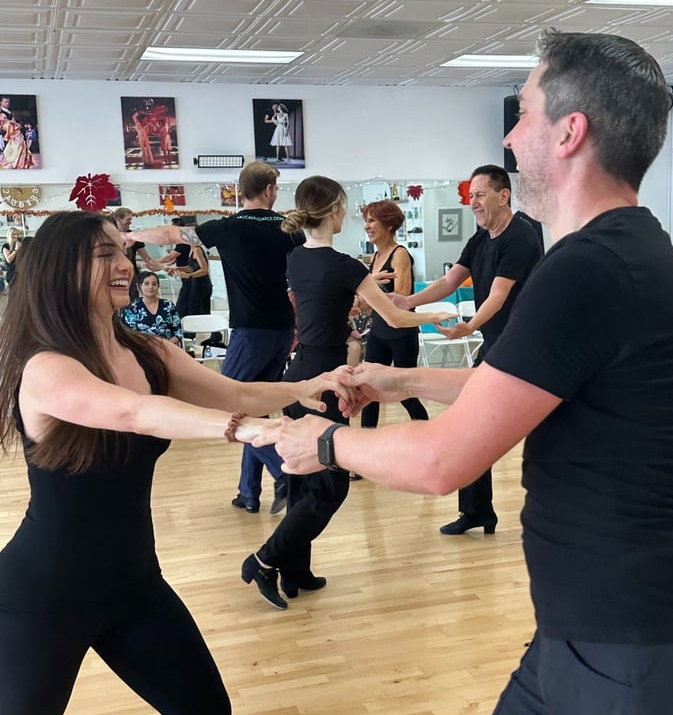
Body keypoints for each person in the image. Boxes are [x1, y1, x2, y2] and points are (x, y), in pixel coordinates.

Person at [267, 29, 673, 715]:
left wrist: (321, 446)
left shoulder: (593, 266)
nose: (507, 135)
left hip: (656, 661)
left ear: (570, 133)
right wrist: (400, 381)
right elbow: (522, 386)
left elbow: (443, 461)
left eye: (523, 111)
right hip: (574, 648)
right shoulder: (607, 258)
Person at [0, 210, 350, 715]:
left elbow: (236, 394)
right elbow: (135, 414)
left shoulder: (146, 349)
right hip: (43, 597)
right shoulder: (45, 367)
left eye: (123, 250)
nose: (124, 265)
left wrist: (311, 386)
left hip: (133, 586)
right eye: (105, 255)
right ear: (60, 270)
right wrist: (255, 433)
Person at [240, 175, 451, 610]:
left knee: (302, 473)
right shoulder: (346, 266)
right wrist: (437, 315)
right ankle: (264, 561)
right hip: (327, 377)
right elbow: (393, 317)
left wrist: (351, 301)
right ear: (335, 210)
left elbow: (321, 303)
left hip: (301, 371)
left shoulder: (296, 258)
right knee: (331, 485)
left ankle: (295, 571)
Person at [125, 162, 300, 517]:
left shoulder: (226, 227)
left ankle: (283, 473)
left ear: (243, 190)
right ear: (268, 190)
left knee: (227, 403)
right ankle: (248, 492)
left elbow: (172, 235)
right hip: (282, 329)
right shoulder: (288, 230)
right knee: (255, 407)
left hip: (251, 331)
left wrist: (133, 237)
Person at [392, 165, 542, 536]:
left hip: (524, 348)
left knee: (521, 428)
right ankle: (476, 510)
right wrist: (407, 300)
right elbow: (450, 280)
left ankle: (533, 511)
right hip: (497, 345)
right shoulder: (481, 237)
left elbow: (498, 294)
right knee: (469, 423)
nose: (471, 202)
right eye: (470, 196)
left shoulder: (520, 237)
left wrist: (469, 326)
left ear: (503, 195)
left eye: (479, 195)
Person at [358, 199, 428, 430]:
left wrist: (370, 295)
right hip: (379, 332)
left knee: (404, 393)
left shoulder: (400, 255)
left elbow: (402, 298)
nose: (367, 226)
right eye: (366, 221)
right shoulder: (375, 258)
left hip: (401, 334)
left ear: (388, 225)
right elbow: (372, 300)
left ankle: (426, 434)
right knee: (369, 389)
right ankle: (365, 445)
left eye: (371, 221)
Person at [121, 270, 183, 346]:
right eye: (146, 284)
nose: (150, 287)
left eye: (154, 284)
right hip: (142, 349)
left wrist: (167, 345)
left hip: (167, 348)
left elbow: (178, 332)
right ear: (140, 286)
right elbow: (129, 334)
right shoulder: (132, 308)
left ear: (158, 286)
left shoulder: (168, 305)